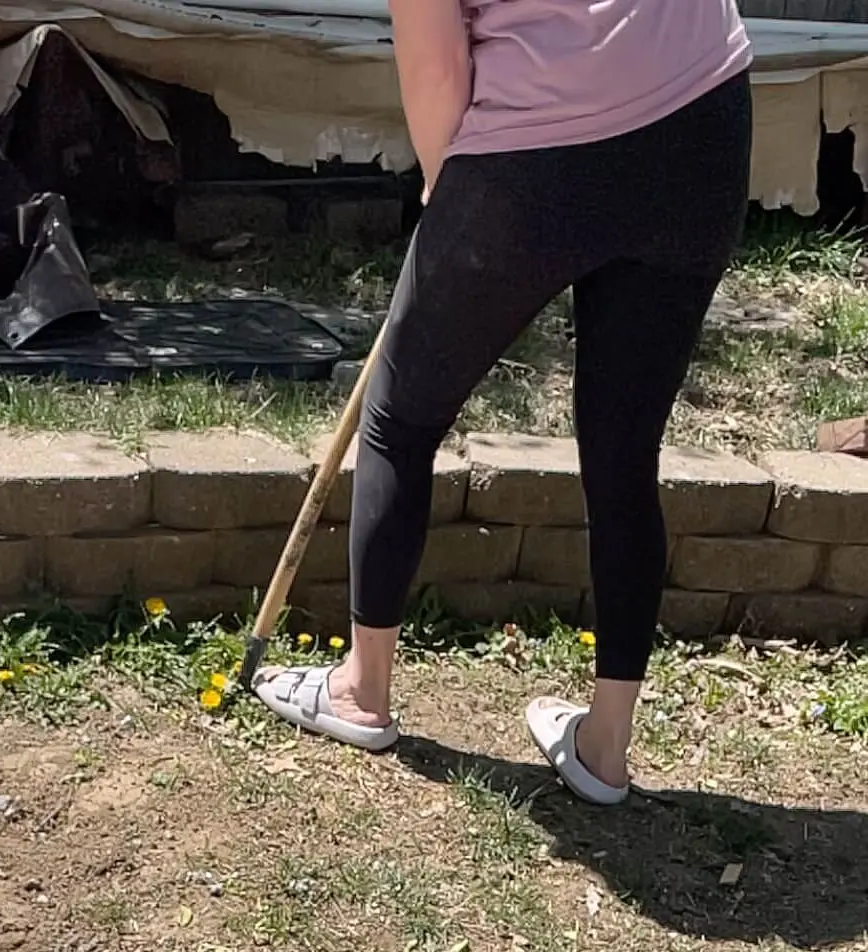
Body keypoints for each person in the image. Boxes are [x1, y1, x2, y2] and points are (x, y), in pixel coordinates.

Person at [254, 0, 753, 806]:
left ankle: (362, 688)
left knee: (399, 418)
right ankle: (607, 745)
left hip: (534, 152)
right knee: (625, 452)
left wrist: (445, 195)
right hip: (698, 124)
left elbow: (438, 70)